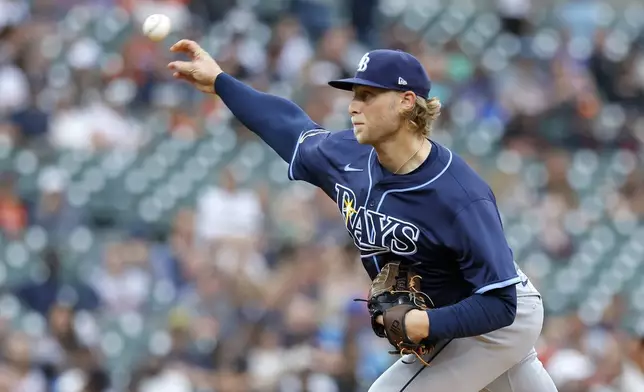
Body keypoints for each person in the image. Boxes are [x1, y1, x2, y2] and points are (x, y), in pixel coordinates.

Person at [167, 39, 558, 392]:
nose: (354, 105)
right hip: (465, 318)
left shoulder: (459, 194)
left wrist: (425, 324)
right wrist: (220, 81)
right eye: (354, 94)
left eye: (369, 95)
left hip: (493, 318)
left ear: (407, 102)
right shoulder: (346, 158)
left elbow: (501, 303)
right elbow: (287, 126)